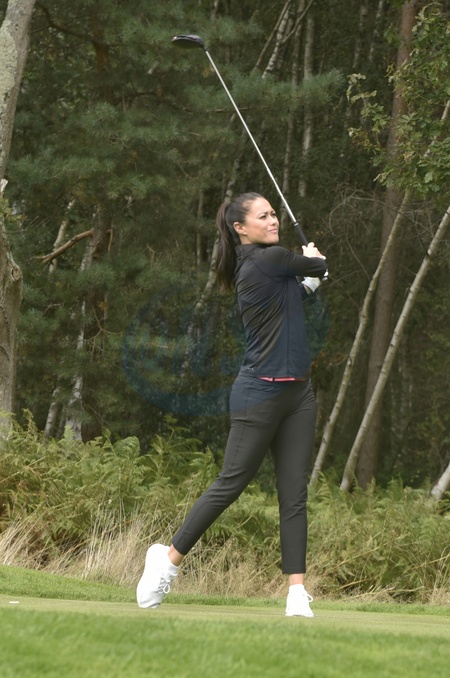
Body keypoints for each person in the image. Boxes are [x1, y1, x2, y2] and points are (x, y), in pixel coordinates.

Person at [137, 192, 327, 617]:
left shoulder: (269, 268)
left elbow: (293, 298)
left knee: (293, 493)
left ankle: (297, 593)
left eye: (274, 214)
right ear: (240, 228)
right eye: (263, 216)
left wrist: (311, 280)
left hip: (298, 394)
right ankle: (166, 561)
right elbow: (315, 266)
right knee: (231, 483)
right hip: (259, 393)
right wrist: (315, 261)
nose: (273, 220)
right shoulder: (265, 259)